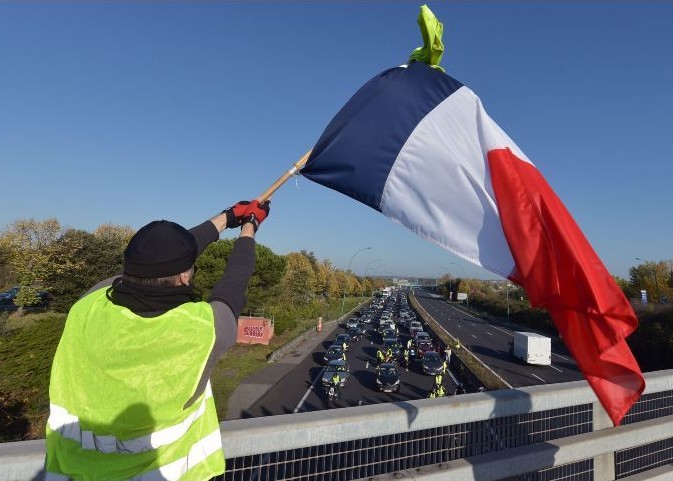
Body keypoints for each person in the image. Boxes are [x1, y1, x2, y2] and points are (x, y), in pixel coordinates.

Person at [45, 200, 270, 481]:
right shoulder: (202, 330)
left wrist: (226, 218)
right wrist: (249, 226)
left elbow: (156, 264)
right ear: (185, 276)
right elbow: (234, 283)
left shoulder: (86, 307)